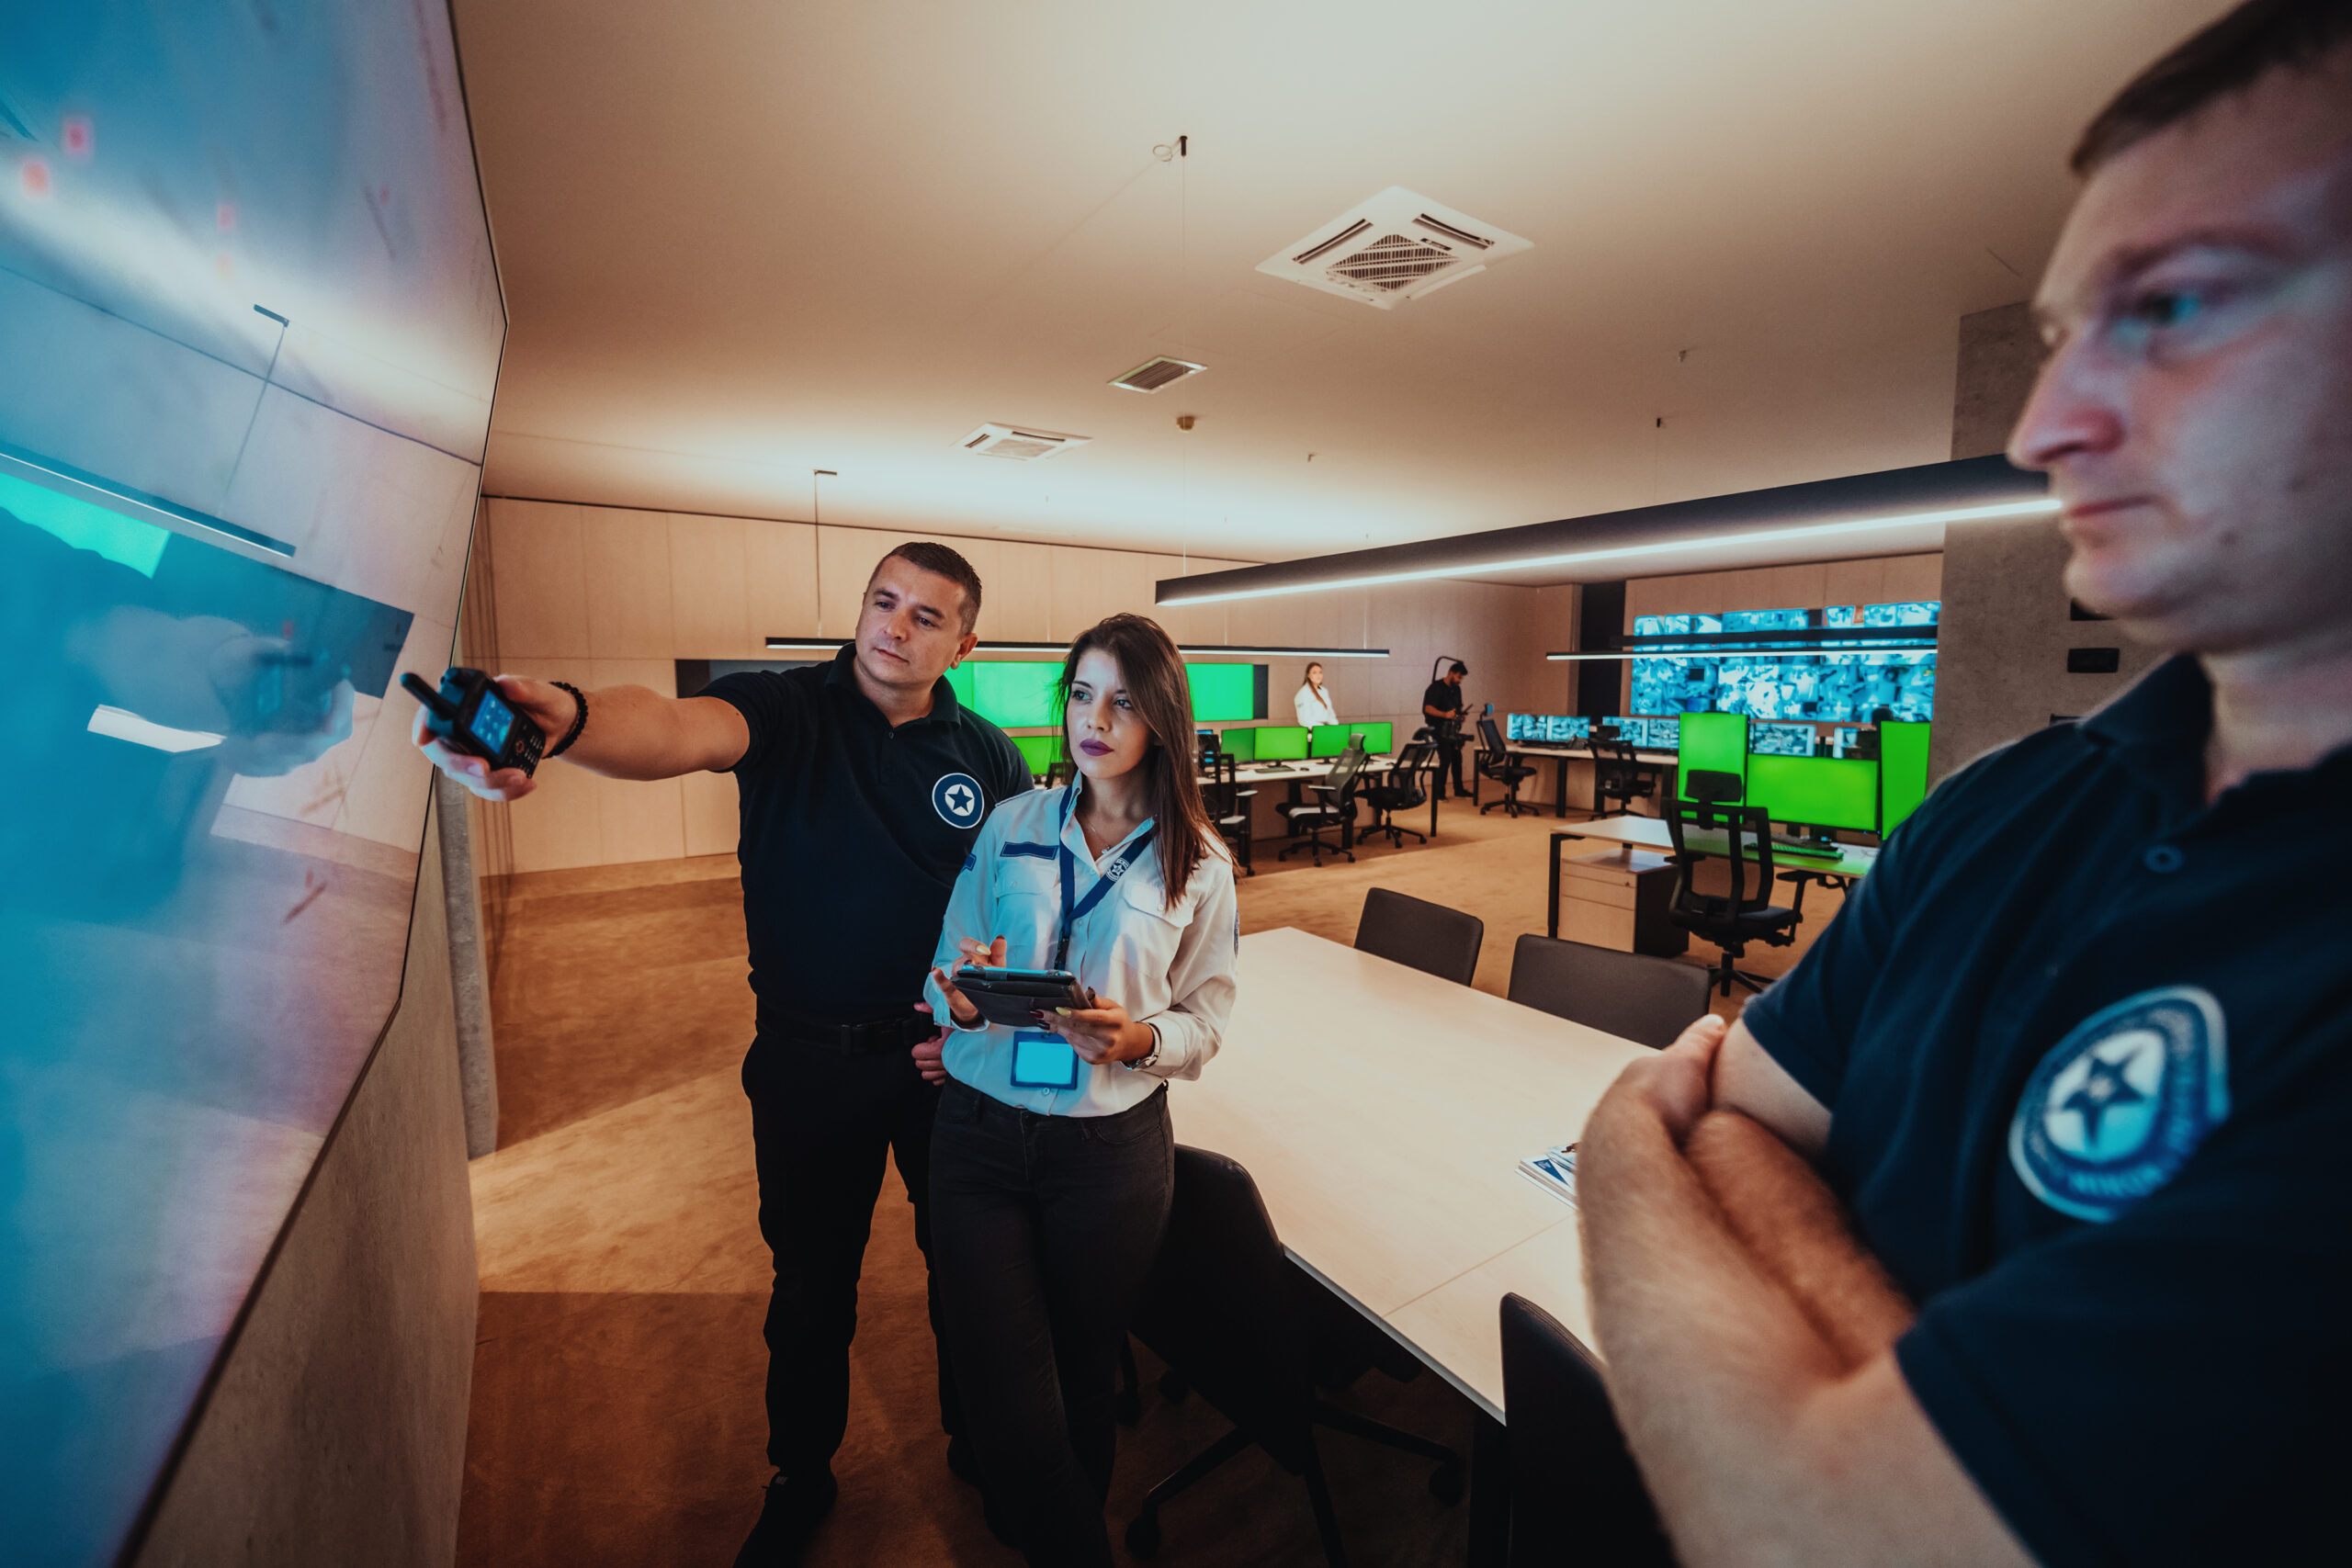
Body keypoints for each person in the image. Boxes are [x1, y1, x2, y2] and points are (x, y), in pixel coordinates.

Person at [1576, 4, 2352, 1564]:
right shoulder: (2009, 802)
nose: (2045, 426)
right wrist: (1893, 1384)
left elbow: (1817, 1525)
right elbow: (1752, 1120)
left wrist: (1620, 1153)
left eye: (2175, 303)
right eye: (2061, 339)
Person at [414, 541, 1031, 1567]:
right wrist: (567, 717)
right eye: (882, 601)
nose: (894, 626)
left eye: (926, 616)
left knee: (964, 1270)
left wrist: (975, 1016)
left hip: (940, 1062)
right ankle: (801, 1472)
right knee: (811, 1289)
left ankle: (979, 1442)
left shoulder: (989, 755)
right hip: (807, 1066)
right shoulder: (786, 708)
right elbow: (672, 726)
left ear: (964, 643)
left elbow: (1016, 898)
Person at [919, 613, 1238, 1567]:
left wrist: (1138, 1037)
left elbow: (1205, 1020)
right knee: (1003, 1373)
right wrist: (960, 999)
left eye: (1124, 702)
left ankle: (1047, 1519)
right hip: (979, 1133)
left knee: (1084, 1366)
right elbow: (944, 966)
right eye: (1083, 695)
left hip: (1108, 1149)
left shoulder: (1200, 861)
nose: (1094, 720)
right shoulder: (1011, 823)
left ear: (1162, 719)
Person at [1421, 660, 1471, 796]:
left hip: (1451, 730)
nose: (1460, 681)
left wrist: (1460, 716)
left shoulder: (1456, 689)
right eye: (1459, 677)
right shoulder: (1435, 688)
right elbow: (1427, 708)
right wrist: (1445, 714)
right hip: (1437, 729)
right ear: (1451, 673)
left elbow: (1457, 708)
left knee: (1457, 759)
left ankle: (1459, 790)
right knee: (1445, 758)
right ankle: (1439, 793)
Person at [1293, 660, 1339, 728]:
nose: (1318, 675)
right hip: (1312, 730)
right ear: (1308, 675)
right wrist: (1321, 729)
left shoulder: (1324, 691)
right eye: (1314, 673)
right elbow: (1304, 720)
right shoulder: (1302, 694)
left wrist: (1335, 727)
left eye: (1320, 672)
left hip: (1326, 729)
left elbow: (1330, 713)